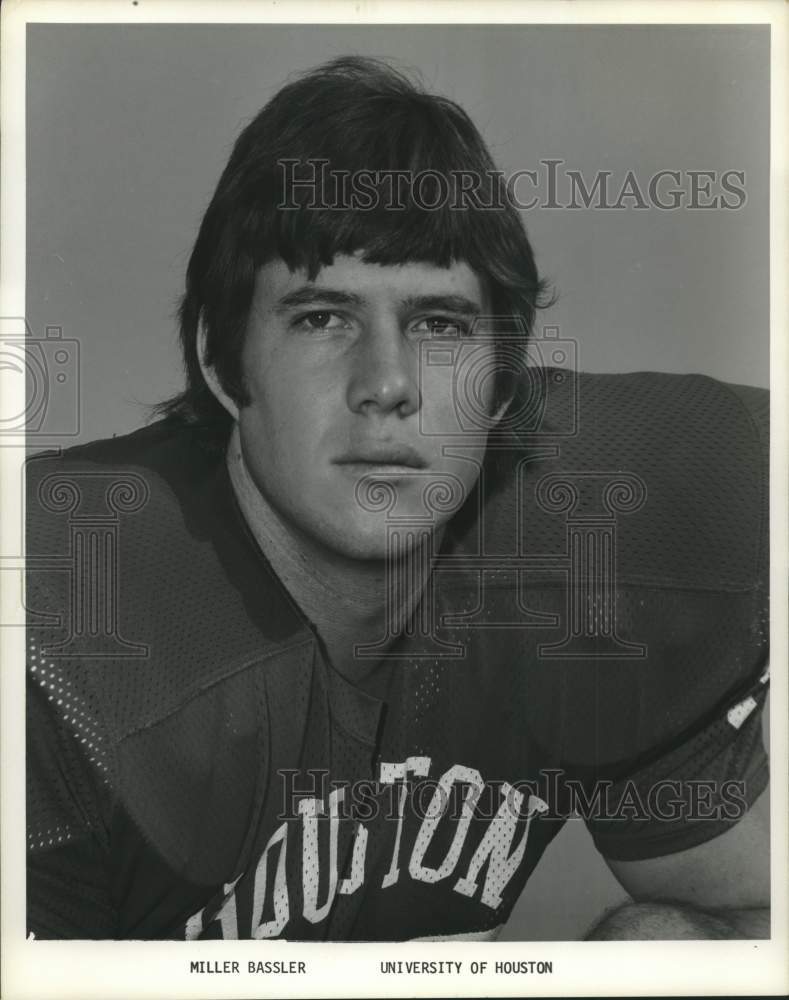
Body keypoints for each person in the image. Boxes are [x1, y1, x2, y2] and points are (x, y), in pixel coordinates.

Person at [26, 56, 769, 941]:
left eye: (440, 324)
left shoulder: (597, 540)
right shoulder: (66, 629)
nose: (386, 384)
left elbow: (753, 923)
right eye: (321, 317)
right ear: (223, 362)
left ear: (501, 382)